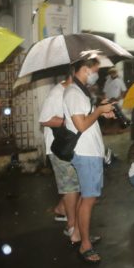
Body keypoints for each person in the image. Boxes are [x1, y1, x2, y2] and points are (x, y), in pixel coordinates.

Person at [63, 57, 116, 264]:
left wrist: (101, 112)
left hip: (90, 152)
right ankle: (85, 244)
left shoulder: (81, 91)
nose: (97, 74)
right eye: (95, 70)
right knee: (89, 199)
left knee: (86, 197)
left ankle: (78, 234)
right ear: (85, 70)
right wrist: (98, 111)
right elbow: (81, 125)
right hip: (86, 153)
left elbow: (87, 119)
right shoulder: (74, 93)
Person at [39, 75, 80, 239]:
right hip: (59, 148)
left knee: (74, 185)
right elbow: (45, 120)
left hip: (69, 145)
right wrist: (70, 120)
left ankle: (61, 210)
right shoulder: (57, 93)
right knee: (71, 187)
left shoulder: (73, 91)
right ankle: (71, 227)